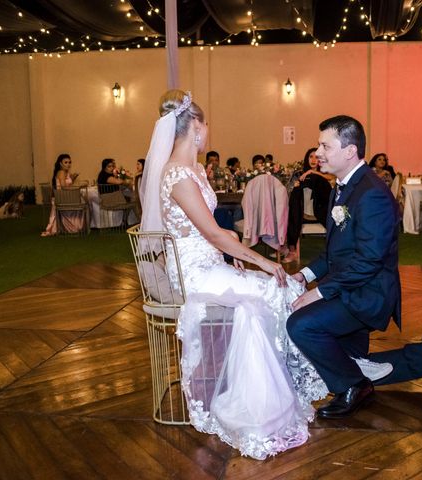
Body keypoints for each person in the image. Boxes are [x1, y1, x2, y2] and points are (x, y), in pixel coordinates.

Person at [139, 90, 329, 460]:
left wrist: (228, 247)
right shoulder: (177, 175)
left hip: (210, 262)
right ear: (195, 126)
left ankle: (283, 385)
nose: (207, 130)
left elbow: (205, 229)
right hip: (194, 275)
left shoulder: (192, 170)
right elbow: (208, 233)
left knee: (278, 290)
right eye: (204, 124)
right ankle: (259, 402)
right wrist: (261, 260)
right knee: (271, 290)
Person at [287, 115, 422, 419]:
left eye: (325, 145)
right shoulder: (343, 187)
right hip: (350, 284)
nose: (318, 152)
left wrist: (320, 293)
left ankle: (352, 387)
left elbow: (369, 260)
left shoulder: (372, 195)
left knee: (300, 324)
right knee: (353, 360)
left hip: (369, 294)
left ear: (350, 151)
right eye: (319, 145)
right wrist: (304, 275)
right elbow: (334, 253)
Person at [282, 147, 333, 263]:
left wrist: (313, 172)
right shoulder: (299, 173)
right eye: (311, 157)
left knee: (317, 180)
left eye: (317, 157)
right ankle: (291, 250)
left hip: (320, 210)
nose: (313, 160)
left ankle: (291, 250)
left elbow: (334, 178)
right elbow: (287, 190)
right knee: (297, 190)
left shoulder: (326, 171)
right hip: (301, 211)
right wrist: (294, 185)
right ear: (306, 159)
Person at [41, 153, 85, 236]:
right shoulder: (61, 172)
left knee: (83, 199)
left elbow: (66, 184)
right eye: (66, 162)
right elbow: (64, 187)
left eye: (69, 162)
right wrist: (77, 187)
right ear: (60, 163)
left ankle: (72, 227)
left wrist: (73, 177)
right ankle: (75, 227)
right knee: (83, 201)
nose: (68, 164)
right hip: (62, 197)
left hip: (63, 196)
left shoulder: (65, 172)